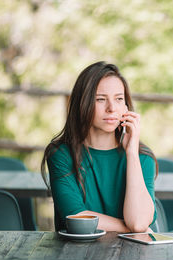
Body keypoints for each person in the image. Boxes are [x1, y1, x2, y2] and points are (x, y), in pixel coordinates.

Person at [41, 61, 157, 233]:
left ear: (126, 106)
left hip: (132, 257)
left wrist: (131, 153)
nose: (111, 108)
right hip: (75, 256)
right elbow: (75, 217)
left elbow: (139, 223)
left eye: (119, 99)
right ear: (83, 103)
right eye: (100, 99)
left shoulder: (142, 157)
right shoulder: (61, 154)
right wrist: (128, 228)